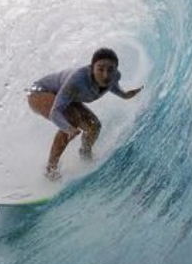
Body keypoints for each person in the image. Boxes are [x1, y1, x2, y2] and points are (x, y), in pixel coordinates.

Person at [27, 47, 142, 180]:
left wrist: (125, 95)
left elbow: (111, 86)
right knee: (71, 119)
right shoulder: (77, 81)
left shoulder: (115, 76)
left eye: (111, 69)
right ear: (92, 68)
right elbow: (55, 112)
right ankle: (50, 170)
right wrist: (68, 129)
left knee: (94, 126)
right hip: (39, 92)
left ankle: (85, 154)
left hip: (66, 97)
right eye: (100, 69)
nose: (105, 75)